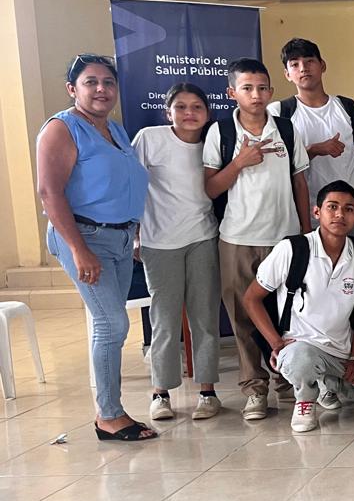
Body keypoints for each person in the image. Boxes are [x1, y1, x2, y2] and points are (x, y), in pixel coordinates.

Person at [36, 54, 153, 441]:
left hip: (120, 238)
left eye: (108, 82)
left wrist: (134, 233)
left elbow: (123, 184)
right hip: (84, 237)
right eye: (91, 82)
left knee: (112, 325)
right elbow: (49, 192)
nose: (101, 89)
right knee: (112, 323)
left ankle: (111, 409)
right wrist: (78, 248)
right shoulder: (62, 128)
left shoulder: (114, 130)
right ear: (73, 89)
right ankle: (109, 415)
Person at [246, 181, 354, 432]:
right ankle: (305, 400)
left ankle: (332, 383)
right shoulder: (292, 249)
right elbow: (251, 298)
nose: (340, 214)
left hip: (343, 351)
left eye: (348, 209)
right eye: (332, 207)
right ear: (317, 212)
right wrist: (275, 342)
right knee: (301, 359)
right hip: (301, 347)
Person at [203, 58, 311, 420]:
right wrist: (239, 162)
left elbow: (299, 182)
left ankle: (288, 381)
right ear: (231, 93)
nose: (256, 95)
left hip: (284, 237)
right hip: (237, 238)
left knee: (287, 314)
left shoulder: (287, 129)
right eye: (247, 88)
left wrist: (303, 232)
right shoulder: (220, 132)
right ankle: (254, 389)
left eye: (262, 88)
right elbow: (210, 188)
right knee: (242, 318)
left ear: (271, 90)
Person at [132, 83, 222, 423]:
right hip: (159, 243)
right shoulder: (149, 139)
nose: (189, 113)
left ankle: (207, 392)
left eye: (197, 106)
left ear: (207, 113)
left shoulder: (214, 143)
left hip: (202, 238)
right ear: (167, 111)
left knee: (205, 318)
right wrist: (136, 235)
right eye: (181, 107)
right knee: (165, 321)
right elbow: (132, 187)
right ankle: (161, 393)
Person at [269, 38, 354, 236]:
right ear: (287, 74)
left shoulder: (350, 108)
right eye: (295, 64)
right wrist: (313, 150)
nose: (303, 68)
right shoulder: (278, 113)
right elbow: (276, 166)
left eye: (309, 61)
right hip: (314, 217)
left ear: (322, 65)